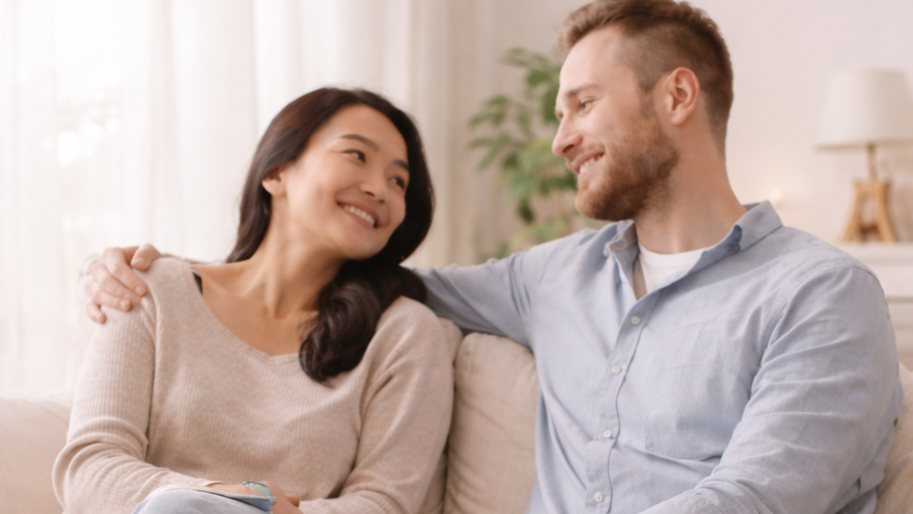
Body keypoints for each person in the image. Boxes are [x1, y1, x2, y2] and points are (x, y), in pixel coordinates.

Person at [85, 1, 904, 513]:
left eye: (581, 104)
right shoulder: (555, 276)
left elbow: (760, 499)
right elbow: (366, 275)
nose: (557, 139)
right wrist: (153, 272)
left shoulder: (821, 294)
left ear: (677, 97)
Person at [55, 88, 454, 514]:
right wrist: (238, 500)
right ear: (277, 171)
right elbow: (90, 469)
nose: (380, 189)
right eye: (356, 155)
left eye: (399, 181)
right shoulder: (149, 287)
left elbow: (384, 504)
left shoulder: (403, 334)